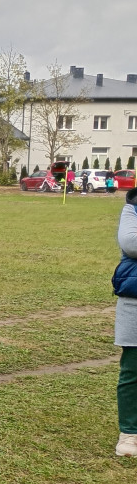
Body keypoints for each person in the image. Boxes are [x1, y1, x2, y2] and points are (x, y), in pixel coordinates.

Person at [114, 188, 137, 456]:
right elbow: (131, 243)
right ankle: (130, 433)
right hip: (134, 300)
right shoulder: (132, 207)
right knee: (132, 369)